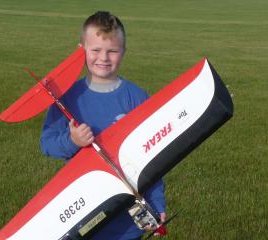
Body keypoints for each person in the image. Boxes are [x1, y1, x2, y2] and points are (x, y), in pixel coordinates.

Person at [40, 11, 166, 240]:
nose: (103, 58)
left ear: (123, 52)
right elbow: (47, 144)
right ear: (82, 50)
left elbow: (154, 158)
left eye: (112, 51)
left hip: (129, 218)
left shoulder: (137, 98)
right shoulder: (67, 98)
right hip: (85, 208)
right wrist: (72, 141)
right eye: (95, 50)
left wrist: (157, 203)